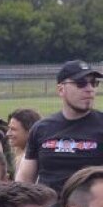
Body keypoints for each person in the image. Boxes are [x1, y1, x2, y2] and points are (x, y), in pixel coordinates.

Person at [16, 61, 103, 198]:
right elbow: (24, 181)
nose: (89, 88)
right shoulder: (41, 128)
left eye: (93, 83)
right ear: (61, 90)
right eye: (81, 83)